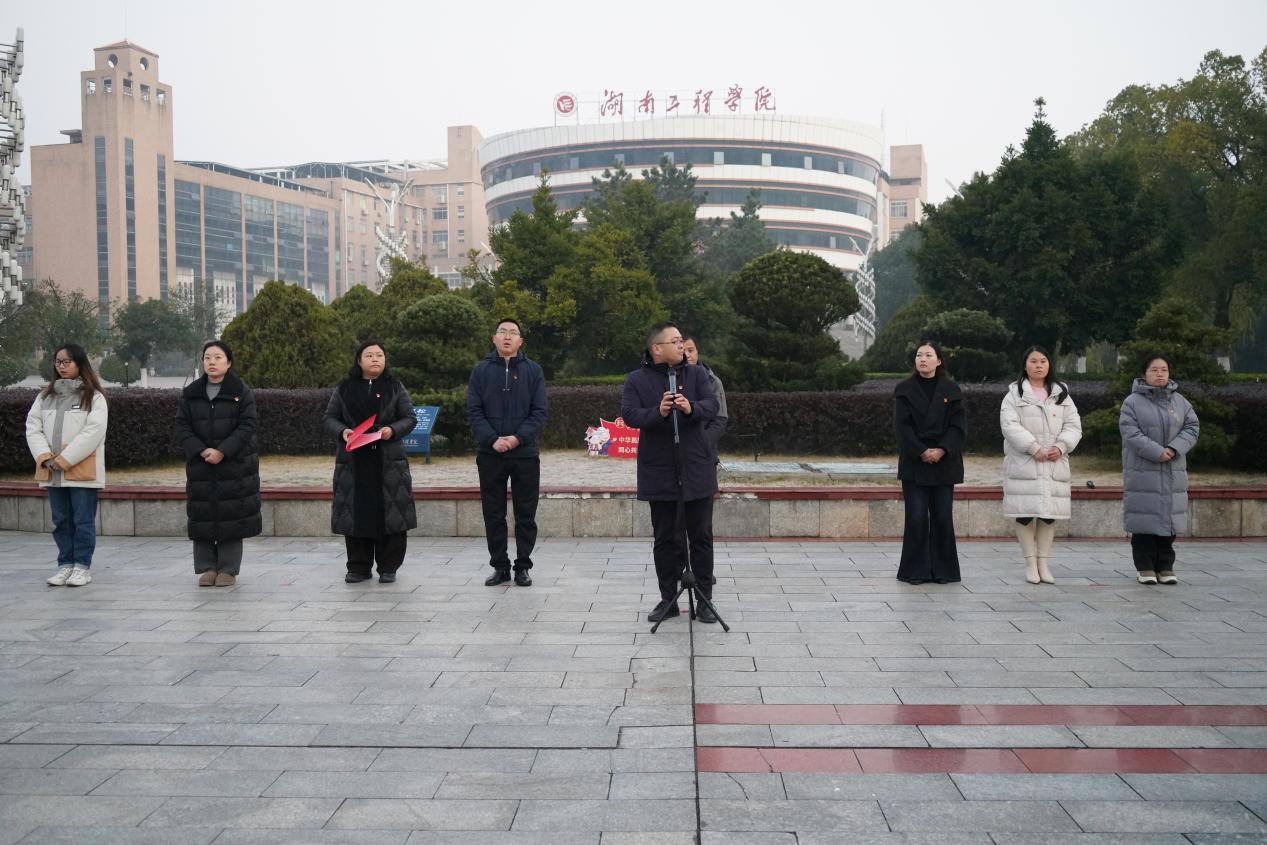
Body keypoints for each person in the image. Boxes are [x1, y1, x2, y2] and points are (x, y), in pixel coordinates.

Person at [621, 322, 720, 623]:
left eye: (681, 341)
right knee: (665, 538)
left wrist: (691, 408)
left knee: (701, 536)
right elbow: (630, 415)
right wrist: (659, 412)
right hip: (659, 470)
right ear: (657, 348)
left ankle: (704, 600)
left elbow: (712, 405)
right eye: (674, 341)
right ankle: (668, 599)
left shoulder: (697, 374)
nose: (681, 345)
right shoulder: (636, 380)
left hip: (696, 467)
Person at [325, 340, 418, 583]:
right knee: (356, 512)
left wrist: (392, 430)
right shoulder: (344, 388)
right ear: (359, 360)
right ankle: (358, 567)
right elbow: (330, 418)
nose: (375, 359)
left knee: (391, 512)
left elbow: (409, 418)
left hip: (388, 460)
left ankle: (389, 567)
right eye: (369, 355)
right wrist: (343, 431)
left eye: (379, 355)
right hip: (353, 462)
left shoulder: (395, 387)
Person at [466, 318, 548, 587]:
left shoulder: (533, 371)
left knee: (526, 513)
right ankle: (499, 566)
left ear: (521, 341)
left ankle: (523, 566)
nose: (507, 336)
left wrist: (516, 439)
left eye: (513, 333)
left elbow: (539, 413)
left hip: (524, 453)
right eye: (502, 332)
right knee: (493, 513)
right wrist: (492, 440)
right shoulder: (481, 371)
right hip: (490, 454)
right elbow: (474, 411)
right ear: (494, 338)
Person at [175, 340, 262, 587]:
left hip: (234, 466)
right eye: (207, 358)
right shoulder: (191, 393)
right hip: (201, 464)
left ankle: (228, 568)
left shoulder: (241, 392)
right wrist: (201, 450)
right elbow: (182, 426)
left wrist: (223, 451)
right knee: (202, 514)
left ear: (229, 362)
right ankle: (207, 567)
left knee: (231, 515)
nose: (211, 362)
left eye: (218, 357)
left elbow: (247, 425)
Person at [25, 343, 109, 587]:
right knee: (61, 520)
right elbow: (33, 427)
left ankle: (81, 567)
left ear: (80, 364)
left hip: (82, 471)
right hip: (52, 471)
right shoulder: (45, 396)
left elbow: (93, 433)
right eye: (58, 362)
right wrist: (45, 457)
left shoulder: (94, 397)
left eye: (67, 362)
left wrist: (64, 459)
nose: (61, 366)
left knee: (83, 521)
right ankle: (65, 565)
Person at [999, 346, 1083, 584]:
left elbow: (1074, 425)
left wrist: (1061, 446)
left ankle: (1043, 563)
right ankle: (1030, 563)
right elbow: (1009, 425)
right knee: (1025, 514)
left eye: (1043, 361)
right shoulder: (1014, 395)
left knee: (1048, 514)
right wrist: (1033, 447)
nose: (1038, 365)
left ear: (1049, 364)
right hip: (1025, 463)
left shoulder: (1061, 394)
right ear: (1025, 365)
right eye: (1033, 361)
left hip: (1054, 463)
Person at [1119, 354, 1200, 585]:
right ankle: (1145, 567)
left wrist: (1174, 449)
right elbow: (1130, 432)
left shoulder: (1180, 402)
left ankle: (1165, 566)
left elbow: (1192, 427)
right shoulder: (1132, 402)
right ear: (1144, 374)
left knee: (1168, 520)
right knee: (1144, 520)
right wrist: (1157, 452)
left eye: (1164, 369)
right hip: (1143, 470)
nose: (1159, 374)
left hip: (1173, 470)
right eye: (1154, 370)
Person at [893, 341, 966, 585]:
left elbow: (958, 426)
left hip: (945, 462)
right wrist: (922, 451)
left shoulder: (951, 389)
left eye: (928, 355)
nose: (922, 359)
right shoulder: (904, 390)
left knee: (943, 517)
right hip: (915, 461)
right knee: (916, 518)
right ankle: (916, 571)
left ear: (939, 361)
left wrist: (942, 449)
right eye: (919, 355)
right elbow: (902, 427)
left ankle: (943, 570)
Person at [683, 336, 728, 462]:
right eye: (682, 351)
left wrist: (700, 444)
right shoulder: (669, 378)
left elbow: (720, 420)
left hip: (704, 453)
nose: (687, 355)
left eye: (691, 350)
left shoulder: (713, 381)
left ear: (697, 351)